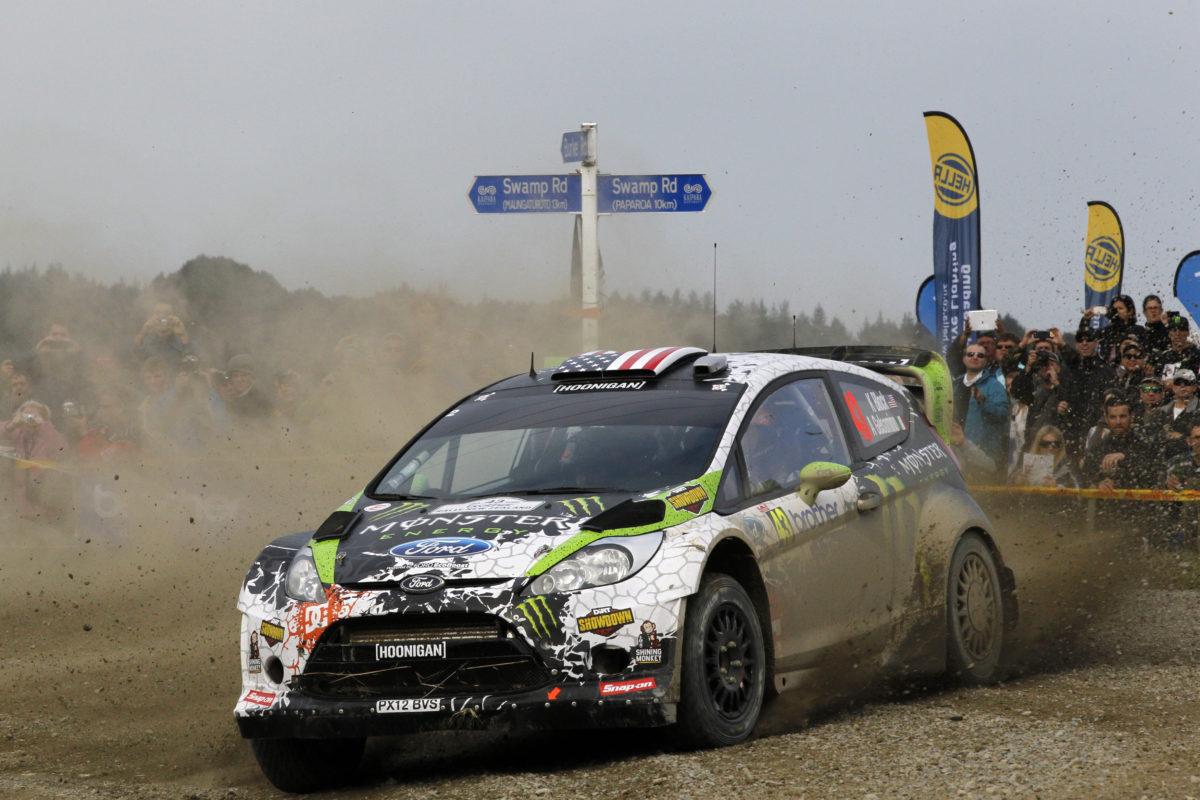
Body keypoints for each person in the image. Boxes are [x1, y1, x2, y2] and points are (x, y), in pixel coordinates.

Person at [0, 399, 71, 519]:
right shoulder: (18, 432)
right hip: (18, 505)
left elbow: (63, 449)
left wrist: (42, 426)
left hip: (42, 505)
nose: (30, 420)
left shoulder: (49, 435)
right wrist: (12, 424)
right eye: (26, 416)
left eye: (34, 416)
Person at [954, 344, 1010, 472]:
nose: (975, 357)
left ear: (985, 361)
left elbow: (1002, 415)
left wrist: (983, 401)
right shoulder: (954, 385)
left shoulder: (994, 385)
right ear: (963, 358)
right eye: (970, 354)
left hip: (982, 455)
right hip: (956, 453)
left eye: (980, 355)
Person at [1082, 395, 1157, 490]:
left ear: (1132, 417)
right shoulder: (1097, 448)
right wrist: (1099, 484)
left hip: (1139, 502)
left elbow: (1153, 474)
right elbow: (1085, 476)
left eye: (1122, 416)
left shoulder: (1145, 445)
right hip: (1107, 503)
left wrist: (1125, 457)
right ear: (1106, 419)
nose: (1118, 422)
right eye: (1113, 417)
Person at [1163, 420, 1200, 550]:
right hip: (1182, 519)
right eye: (1197, 438)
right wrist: (1168, 484)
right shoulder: (1176, 461)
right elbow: (1160, 487)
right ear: (1189, 441)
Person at [1010, 424, 1080, 488]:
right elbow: (1005, 495)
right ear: (1038, 446)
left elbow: (1076, 496)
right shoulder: (1024, 467)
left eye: (1055, 444)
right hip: (1030, 501)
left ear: (1060, 447)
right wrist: (1016, 482)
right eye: (1045, 444)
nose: (1050, 448)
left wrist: (1057, 488)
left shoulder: (1066, 471)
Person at [1149, 314, 1200, 379]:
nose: (1178, 334)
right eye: (1174, 330)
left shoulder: (1196, 355)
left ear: (1188, 333)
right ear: (1169, 334)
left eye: (1181, 330)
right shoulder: (1164, 357)